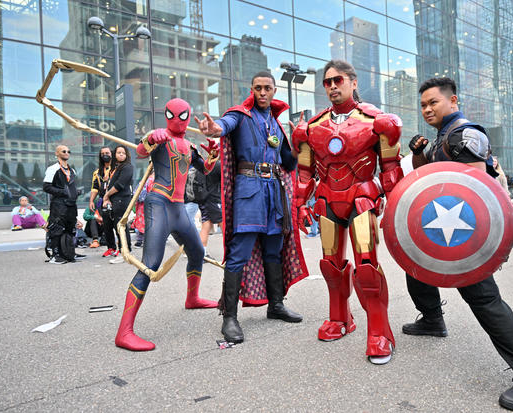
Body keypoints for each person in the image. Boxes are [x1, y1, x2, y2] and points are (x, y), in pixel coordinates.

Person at [405, 77, 513, 411]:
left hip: (465, 232)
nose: (427, 109)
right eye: (423, 105)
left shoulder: (466, 134)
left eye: (433, 102)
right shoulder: (443, 137)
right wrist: (418, 154)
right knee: (414, 264)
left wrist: (467, 247)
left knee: (483, 298)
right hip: (444, 225)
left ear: (453, 100)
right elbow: (426, 177)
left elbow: (471, 192)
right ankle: (432, 319)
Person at [292, 60, 403, 364]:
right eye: (326, 82)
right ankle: (339, 318)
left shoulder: (377, 122)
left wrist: (390, 201)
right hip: (327, 202)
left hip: (361, 201)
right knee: (330, 265)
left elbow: (392, 170)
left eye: (337, 80)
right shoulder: (310, 129)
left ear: (353, 82)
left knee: (367, 266)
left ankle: (380, 331)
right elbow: (304, 174)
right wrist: (300, 204)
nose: (331, 86)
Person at [196, 71, 307, 345]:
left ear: (274, 90)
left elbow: (288, 164)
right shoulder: (240, 116)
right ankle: (229, 317)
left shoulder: (277, 126)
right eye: (257, 88)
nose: (262, 93)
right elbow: (225, 124)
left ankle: (276, 305)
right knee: (239, 251)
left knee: (274, 249)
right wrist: (214, 129)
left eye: (267, 88)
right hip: (248, 190)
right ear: (252, 89)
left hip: (274, 192)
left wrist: (298, 145)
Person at [114, 98, 218, 352]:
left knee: (197, 252)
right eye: (173, 115)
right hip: (159, 204)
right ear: (166, 114)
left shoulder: (189, 145)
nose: (178, 120)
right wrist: (150, 140)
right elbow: (139, 152)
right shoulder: (160, 139)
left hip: (179, 208)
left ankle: (192, 298)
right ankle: (124, 332)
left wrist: (214, 154)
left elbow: (205, 169)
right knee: (150, 265)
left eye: (183, 116)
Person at [43, 145, 85, 264]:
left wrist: (75, 192)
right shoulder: (53, 168)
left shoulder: (72, 170)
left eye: (68, 151)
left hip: (71, 204)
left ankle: (70, 252)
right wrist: (62, 192)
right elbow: (46, 187)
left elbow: (71, 186)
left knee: (71, 229)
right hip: (59, 204)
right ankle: (55, 255)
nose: (67, 153)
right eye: (64, 151)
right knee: (57, 228)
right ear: (57, 153)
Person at [102, 145, 134, 264]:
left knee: (121, 226)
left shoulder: (127, 167)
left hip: (122, 200)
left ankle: (125, 252)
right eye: (119, 152)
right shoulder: (115, 168)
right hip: (115, 200)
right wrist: (107, 197)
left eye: (123, 153)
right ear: (114, 154)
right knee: (116, 226)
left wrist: (107, 195)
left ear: (127, 155)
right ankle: (121, 250)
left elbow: (120, 185)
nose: (121, 154)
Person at [89, 146, 115, 254]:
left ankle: (124, 248)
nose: (105, 155)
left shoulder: (117, 168)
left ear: (111, 154)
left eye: (107, 152)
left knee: (118, 225)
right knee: (107, 226)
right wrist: (91, 201)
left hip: (115, 199)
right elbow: (95, 188)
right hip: (102, 201)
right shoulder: (97, 172)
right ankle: (111, 248)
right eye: (103, 153)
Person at [131, 172, 154, 248]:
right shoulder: (154, 180)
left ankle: (139, 241)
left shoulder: (144, 180)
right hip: (148, 205)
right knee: (148, 223)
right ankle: (145, 241)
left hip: (140, 205)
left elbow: (136, 192)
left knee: (140, 223)